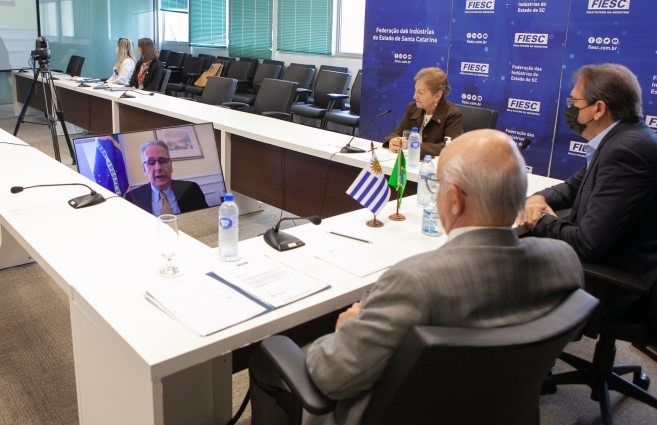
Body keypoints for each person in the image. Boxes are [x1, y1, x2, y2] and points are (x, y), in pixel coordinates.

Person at [248, 129, 584, 425]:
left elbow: (330, 378)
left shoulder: (415, 282)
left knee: (268, 357)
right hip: (495, 409)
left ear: (453, 201)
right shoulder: (564, 261)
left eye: (435, 186)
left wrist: (348, 326)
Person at [520, 63, 657, 319]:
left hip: (618, 284)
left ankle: (528, 353)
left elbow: (588, 245)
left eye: (574, 101)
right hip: (613, 263)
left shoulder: (625, 152)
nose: (569, 108)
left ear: (599, 108)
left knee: (508, 270)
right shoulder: (623, 139)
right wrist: (539, 198)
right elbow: (573, 186)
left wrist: (540, 219)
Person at [383, 67, 463, 157]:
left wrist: (413, 146)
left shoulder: (452, 114)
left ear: (437, 95)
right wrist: (392, 140)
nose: (415, 96)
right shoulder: (412, 108)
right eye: (415, 91)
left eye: (420, 93)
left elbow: (451, 146)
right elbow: (397, 132)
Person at [124, 140, 208, 216]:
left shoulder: (191, 189)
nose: (158, 168)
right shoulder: (131, 199)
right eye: (151, 162)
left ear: (171, 166)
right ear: (144, 170)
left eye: (162, 161)